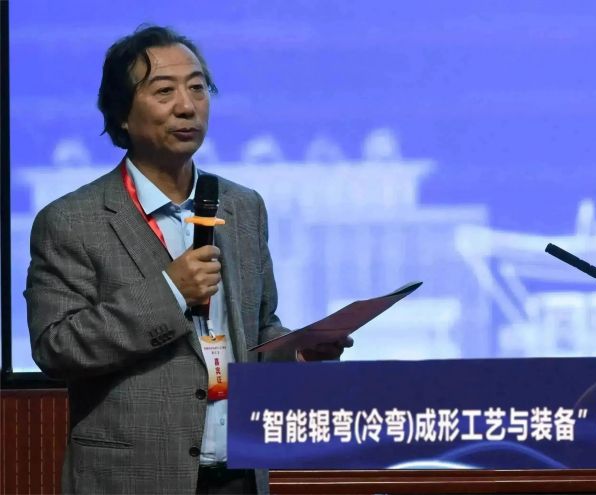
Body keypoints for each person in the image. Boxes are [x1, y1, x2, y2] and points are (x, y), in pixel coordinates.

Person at [25, 25, 351, 495]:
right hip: (132, 479)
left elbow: (256, 331)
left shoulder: (242, 206)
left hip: (239, 474)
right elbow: (56, 348)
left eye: (197, 88)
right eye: (164, 91)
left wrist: (299, 351)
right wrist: (171, 291)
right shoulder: (72, 220)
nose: (187, 106)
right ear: (121, 114)